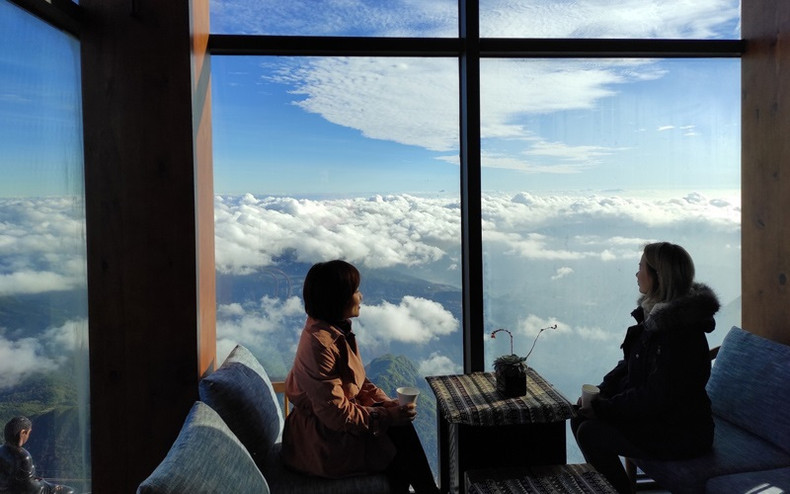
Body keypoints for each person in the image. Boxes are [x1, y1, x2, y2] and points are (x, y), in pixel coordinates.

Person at [571, 242, 720, 494]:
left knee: (591, 432)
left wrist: (605, 409)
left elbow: (656, 395)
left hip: (681, 431)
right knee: (580, 419)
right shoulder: (656, 317)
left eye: (641, 267)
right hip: (660, 420)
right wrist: (600, 392)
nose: (637, 273)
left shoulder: (680, 332)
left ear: (658, 276)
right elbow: (630, 365)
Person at [281, 260, 439, 494]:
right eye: (355, 291)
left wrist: (388, 405)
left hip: (331, 428)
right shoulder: (320, 345)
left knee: (400, 434)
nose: (361, 297)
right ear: (338, 298)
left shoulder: (336, 330)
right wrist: (387, 416)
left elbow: (359, 383)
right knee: (399, 447)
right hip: (320, 443)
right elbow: (335, 414)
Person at [0, 416, 75, 494]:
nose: (28, 436)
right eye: (28, 433)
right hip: (27, 490)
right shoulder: (23, 456)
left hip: (7, 490)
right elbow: (30, 489)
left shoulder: (1, 450)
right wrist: (43, 483)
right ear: (23, 432)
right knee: (69, 491)